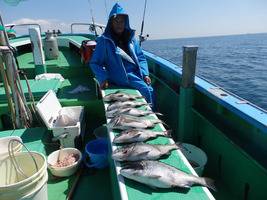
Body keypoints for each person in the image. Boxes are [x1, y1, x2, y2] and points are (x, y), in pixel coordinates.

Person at [89, 3, 155, 109]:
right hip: (119, 76)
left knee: (151, 89)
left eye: (122, 21)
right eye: (116, 21)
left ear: (126, 22)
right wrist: (103, 78)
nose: (119, 24)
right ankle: (151, 116)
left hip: (136, 73)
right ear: (111, 23)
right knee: (145, 90)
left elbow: (141, 57)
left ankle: (151, 113)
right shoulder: (103, 40)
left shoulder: (132, 38)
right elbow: (95, 62)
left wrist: (145, 74)